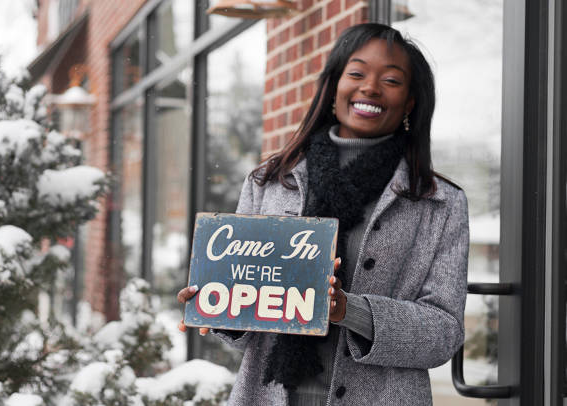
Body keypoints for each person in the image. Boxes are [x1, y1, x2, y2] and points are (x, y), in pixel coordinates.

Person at [177, 23, 468, 406]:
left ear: (410, 101)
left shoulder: (439, 204)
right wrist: (219, 306)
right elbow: (250, 316)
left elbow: (443, 333)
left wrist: (350, 311)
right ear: (334, 87)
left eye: (392, 80)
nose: (370, 87)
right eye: (357, 73)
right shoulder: (269, 182)